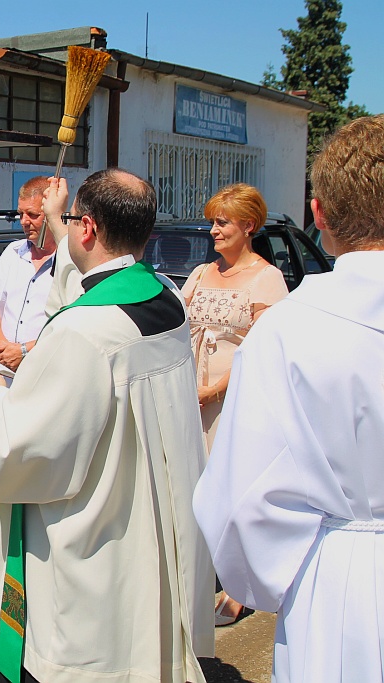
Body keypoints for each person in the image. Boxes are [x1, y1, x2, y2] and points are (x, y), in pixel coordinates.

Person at [0, 168, 214, 683]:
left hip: (92, 537)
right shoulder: (163, 297)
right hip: (144, 516)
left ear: (90, 228)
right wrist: (58, 220)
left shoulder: (82, 332)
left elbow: (25, 451)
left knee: (77, 655)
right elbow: (78, 286)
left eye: (74, 219)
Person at [193, 115, 384, 683]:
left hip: (341, 582)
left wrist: (266, 580)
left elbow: (239, 504)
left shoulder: (289, 329)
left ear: (318, 213)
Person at [181, 183, 288, 626]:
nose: (212, 230)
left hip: (232, 402)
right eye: (212, 222)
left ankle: (239, 588)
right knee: (192, 487)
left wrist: (214, 391)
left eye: (221, 222)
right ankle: (195, 575)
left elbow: (261, 351)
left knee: (234, 491)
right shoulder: (202, 272)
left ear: (248, 225)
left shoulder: (268, 279)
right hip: (188, 395)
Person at [0, 176, 58, 376]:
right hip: (0, 374)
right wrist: (4, 348)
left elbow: (72, 328)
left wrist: (24, 351)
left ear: (52, 214)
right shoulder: (13, 252)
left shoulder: (70, 262)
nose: (24, 221)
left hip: (42, 377)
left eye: (32, 214)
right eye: (20, 214)